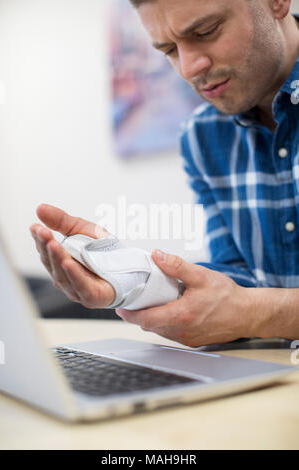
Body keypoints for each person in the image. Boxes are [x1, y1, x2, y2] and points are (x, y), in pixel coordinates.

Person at [30, 0, 299, 346]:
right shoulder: (202, 137)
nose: (189, 68)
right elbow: (241, 283)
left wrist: (257, 313)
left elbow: (249, 307)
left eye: (206, 31)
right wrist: (131, 278)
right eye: (169, 50)